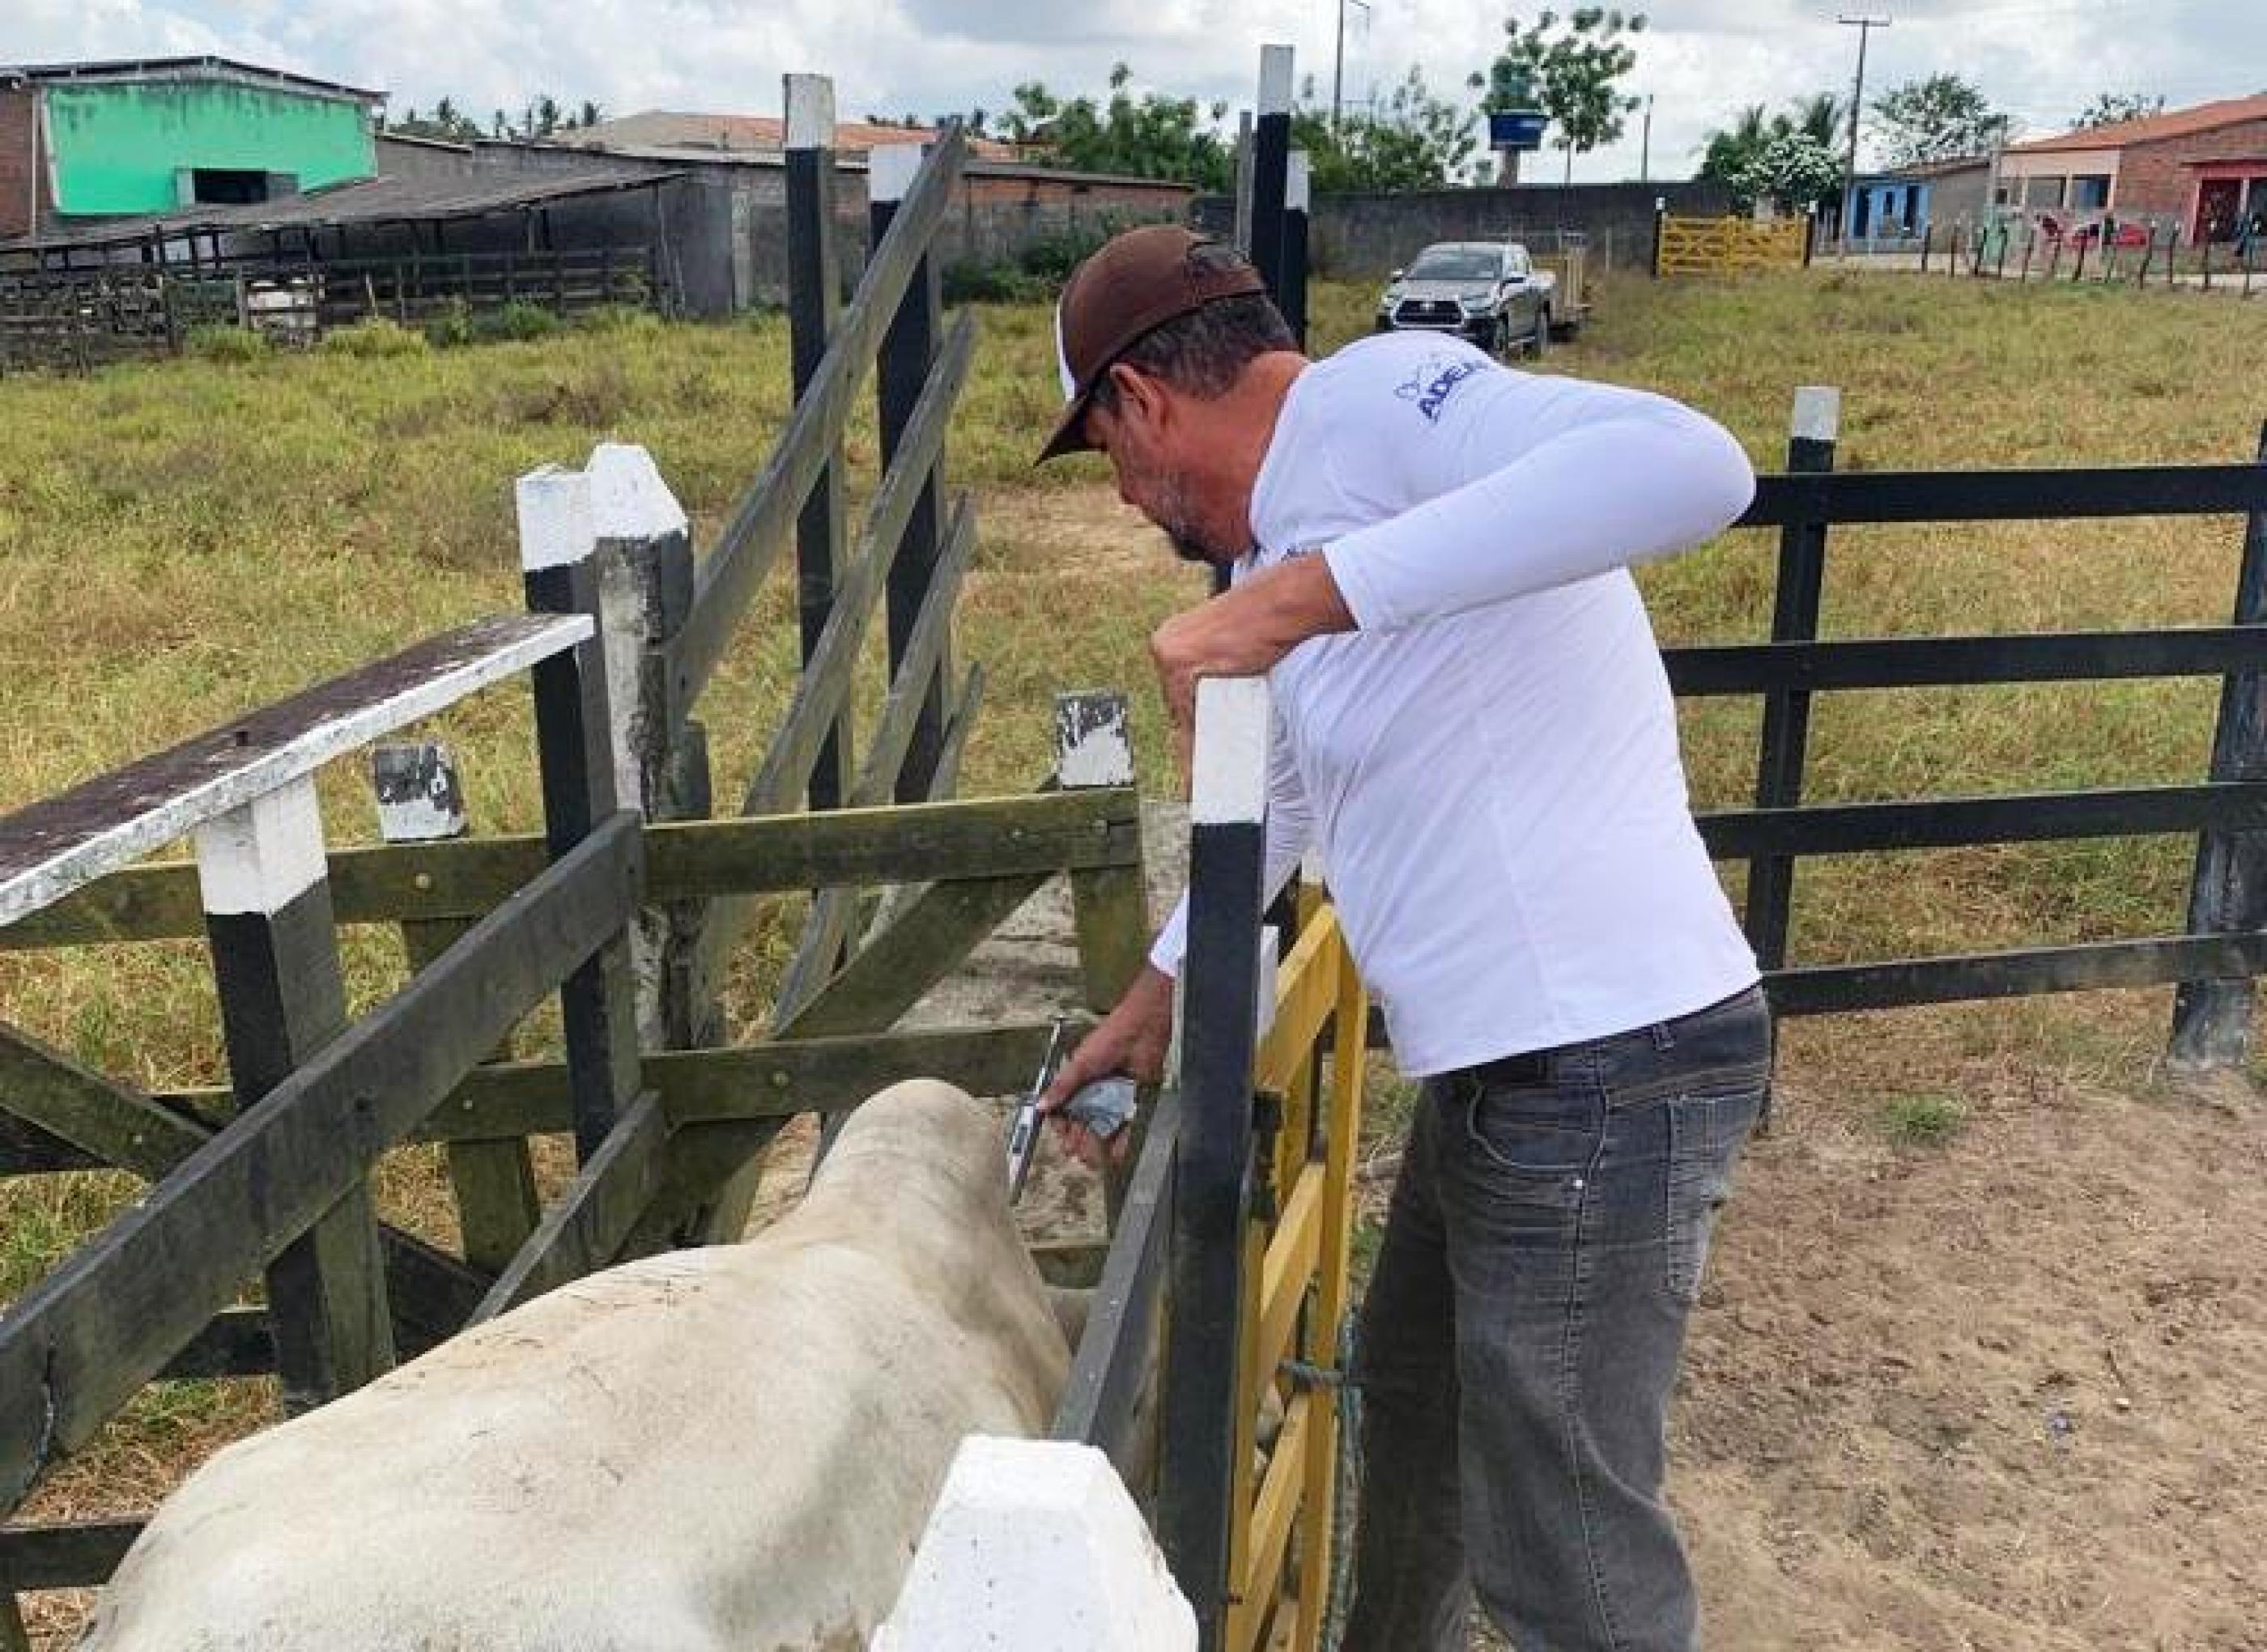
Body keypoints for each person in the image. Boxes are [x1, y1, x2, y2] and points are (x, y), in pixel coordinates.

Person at [1034, 223, 1768, 1652]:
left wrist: (1290, 602)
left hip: (1603, 1059)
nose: (1130, 501)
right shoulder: (1300, 527)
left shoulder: (1381, 403)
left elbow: (1698, 467)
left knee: (1569, 1553)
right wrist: (1160, 992)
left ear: (1139, 402)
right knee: (1418, 1409)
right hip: (1517, 1071)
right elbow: (1299, 789)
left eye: (1108, 459)